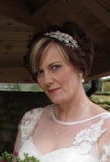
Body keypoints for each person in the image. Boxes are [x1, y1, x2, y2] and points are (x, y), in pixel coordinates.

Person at [14, 21, 110, 162]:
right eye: (40, 72)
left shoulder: (106, 128)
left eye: (55, 67)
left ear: (80, 67)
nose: (46, 80)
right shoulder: (31, 120)